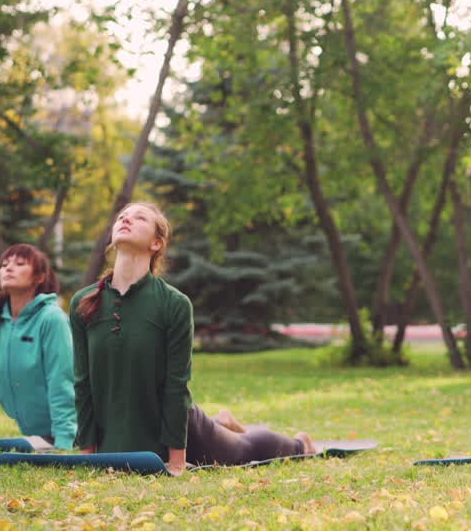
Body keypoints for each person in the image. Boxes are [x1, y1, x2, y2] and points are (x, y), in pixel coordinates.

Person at [70, 202, 316, 474]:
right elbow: (83, 384)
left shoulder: (174, 304)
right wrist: (87, 456)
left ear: (156, 243)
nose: (126, 220)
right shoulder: (83, 303)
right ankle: (223, 422)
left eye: (139, 218)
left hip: (180, 429)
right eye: (122, 216)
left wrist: (176, 462)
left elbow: (175, 386)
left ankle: (299, 444)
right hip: (115, 437)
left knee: (245, 449)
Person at [0, 244, 76, 450]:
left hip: (73, 431)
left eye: (19, 264)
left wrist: (64, 442)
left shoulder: (52, 319)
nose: (8, 268)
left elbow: (61, 382)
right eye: (4, 265)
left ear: (39, 277)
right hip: (39, 436)